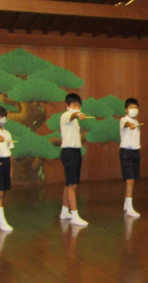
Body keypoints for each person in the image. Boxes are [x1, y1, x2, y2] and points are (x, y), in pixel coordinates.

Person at [59, 93, 89, 226]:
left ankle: (65, 211)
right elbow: (72, 115)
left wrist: (78, 116)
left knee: (69, 183)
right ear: (67, 106)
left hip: (75, 151)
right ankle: (75, 215)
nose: (76, 108)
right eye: (74, 105)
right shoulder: (66, 116)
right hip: (69, 152)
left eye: (78, 106)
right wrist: (78, 114)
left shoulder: (75, 121)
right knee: (73, 185)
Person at [119, 98, 141, 218]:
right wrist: (130, 124)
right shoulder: (124, 120)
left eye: (136, 107)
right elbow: (126, 125)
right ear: (126, 109)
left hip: (135, 151)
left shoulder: (137, 121)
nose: (134, 110)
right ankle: (130, 209)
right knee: (130, 179)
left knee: (133, 178)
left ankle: (127, 205)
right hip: (126, 152)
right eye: (131, 107)